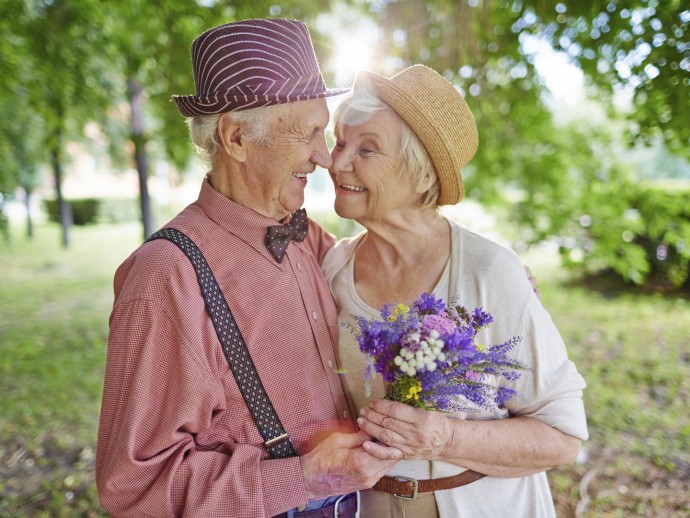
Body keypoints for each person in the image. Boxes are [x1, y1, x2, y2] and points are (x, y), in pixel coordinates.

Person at [95, 19, 402, 518]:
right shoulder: (165, 276)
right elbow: (134, 488)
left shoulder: (304, 235)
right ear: (236, 137)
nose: (325, 157)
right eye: (307, 134)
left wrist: (472, 271)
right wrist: (300, 478)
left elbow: (383, 267)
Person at [320, 64, 588, 517]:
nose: (336, 162)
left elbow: (563, 436)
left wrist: (446, 437)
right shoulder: (332, 268)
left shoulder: (488, 271)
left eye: (367, 149)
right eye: (341, 142)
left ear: (422, 175)